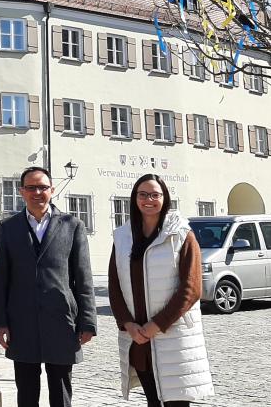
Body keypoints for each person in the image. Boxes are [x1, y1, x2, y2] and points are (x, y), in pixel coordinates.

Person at [0, 166, 96, 407]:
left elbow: (83, 278)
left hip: (61, 319)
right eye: (31, 188)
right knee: (26, 391)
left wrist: (88, 322)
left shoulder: (72, 225)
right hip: (22, 321)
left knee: (60, 389)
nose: (37, 192)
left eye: (43, 187)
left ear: (52, 190)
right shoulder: (9, 227)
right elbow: (2, 278)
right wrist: (1, 321)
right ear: (21, 192)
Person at [108, 174, 214, 406]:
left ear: (164, 198)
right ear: (134, 198)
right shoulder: (123, 237)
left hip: (171, 337)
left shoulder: (181, 234)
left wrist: (155, 325)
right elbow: (114, 287)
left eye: (155, 194)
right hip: (139, 339)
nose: (149, 200)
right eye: (143, 194)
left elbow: (191, 289)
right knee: (153, 402)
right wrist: (128, 324)